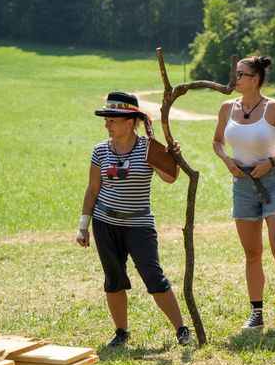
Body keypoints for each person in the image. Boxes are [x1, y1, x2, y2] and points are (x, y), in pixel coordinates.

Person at [76, 92, 192, 348]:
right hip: (105, 224)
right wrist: (83, 226)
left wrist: (171, 156)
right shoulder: (99, 150)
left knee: (153, 276)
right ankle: (121, 332)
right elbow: (93, 189)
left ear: (129, 122)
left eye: (112, 119)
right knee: (114, 278)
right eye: (106, 119)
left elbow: (170, 178)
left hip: (139, 225)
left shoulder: (149, 148)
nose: (107, 123)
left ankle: (182, 329)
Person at [212, 56, 275, 331]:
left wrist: (273, 161)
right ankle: (256, 313)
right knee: (252, 252)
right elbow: (217, 142)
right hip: (242, 185)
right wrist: (227, 161)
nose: (235, 78)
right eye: (235, 73)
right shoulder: (226, 108)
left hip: (273, 182)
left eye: (240, 74)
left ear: (255, 79)